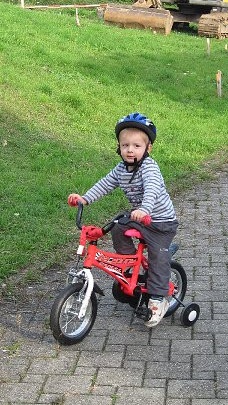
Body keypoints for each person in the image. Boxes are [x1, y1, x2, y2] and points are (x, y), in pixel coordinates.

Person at [68, 112, 178, 328]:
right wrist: (85, 198)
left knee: (157, 259)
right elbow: (105, 184)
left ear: (148, 148)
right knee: (118, 225)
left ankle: (158, 300)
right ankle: (128, 261)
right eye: (125, 145)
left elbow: (152, 190)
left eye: (136, 146)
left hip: (161, 223)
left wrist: (144, 209)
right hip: (140, 217)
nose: (130, 150)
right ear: (118, 147)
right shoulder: (121, 169)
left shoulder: (149, 167)